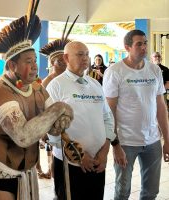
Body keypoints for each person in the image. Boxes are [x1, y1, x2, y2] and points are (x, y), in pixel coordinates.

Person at [0, 1, 73, 199]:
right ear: (12, 65)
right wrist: (58, 108)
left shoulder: (37, 89)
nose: (34, 66)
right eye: (28, 62)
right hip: (1, 176)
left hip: (27, 173)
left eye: (35, 61)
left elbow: (56, 125)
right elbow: (24, 137)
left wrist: (60, 119)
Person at [103, 29, 169, 200]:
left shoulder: (154, 70)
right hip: (126, 142)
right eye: (139, 44)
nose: (144, 47)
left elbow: (161, 107)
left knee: (151, 192)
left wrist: (167, 141)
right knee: (122, 191)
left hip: (153, 141)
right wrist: (115, 145)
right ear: (127, 47)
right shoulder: (115, 71)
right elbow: (109, 111)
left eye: (145, 43)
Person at [46, 41, 116, 200]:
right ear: (66, 58)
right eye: (79, 54)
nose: (85, 58)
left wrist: (104, 152)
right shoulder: (56, 86)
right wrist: (79, 156)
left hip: (97, 162)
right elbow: (52, 129)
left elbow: (107, 118)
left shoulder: (95, 84)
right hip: (70, 164)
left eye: (87, 54)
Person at [38, 15, 79, 180]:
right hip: (53, 126)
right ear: (51, 63)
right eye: (57, 61)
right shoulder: (47, 81)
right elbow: (41, 107)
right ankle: (50, 170)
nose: (61, 63)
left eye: (63, 60)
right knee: (54, 153)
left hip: (71, 126)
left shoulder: (72, 78)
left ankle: (54, 171)